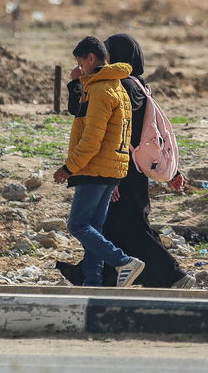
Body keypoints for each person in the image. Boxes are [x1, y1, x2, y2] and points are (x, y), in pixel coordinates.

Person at [70, 33, 189, 288]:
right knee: (116, 226)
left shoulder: (122, 86)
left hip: (122, 169)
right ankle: (98, 280)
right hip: (128, 168)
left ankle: (172, 275)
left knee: (131, 228)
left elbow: (113, 130)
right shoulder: (138, 85)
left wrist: (114, 178)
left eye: (109, 53)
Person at [53, 36, 145, 288]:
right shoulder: (115, 86)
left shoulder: (101, 91)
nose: (79, 68)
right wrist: (77, 82)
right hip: (110, 169)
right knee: (94, 226)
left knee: (78, 225)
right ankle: (92, 282)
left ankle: (123, 261)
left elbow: (92, 140)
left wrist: (68, 168)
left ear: (91, 59)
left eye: (81, 63)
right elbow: (84, 113)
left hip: (93, 168)